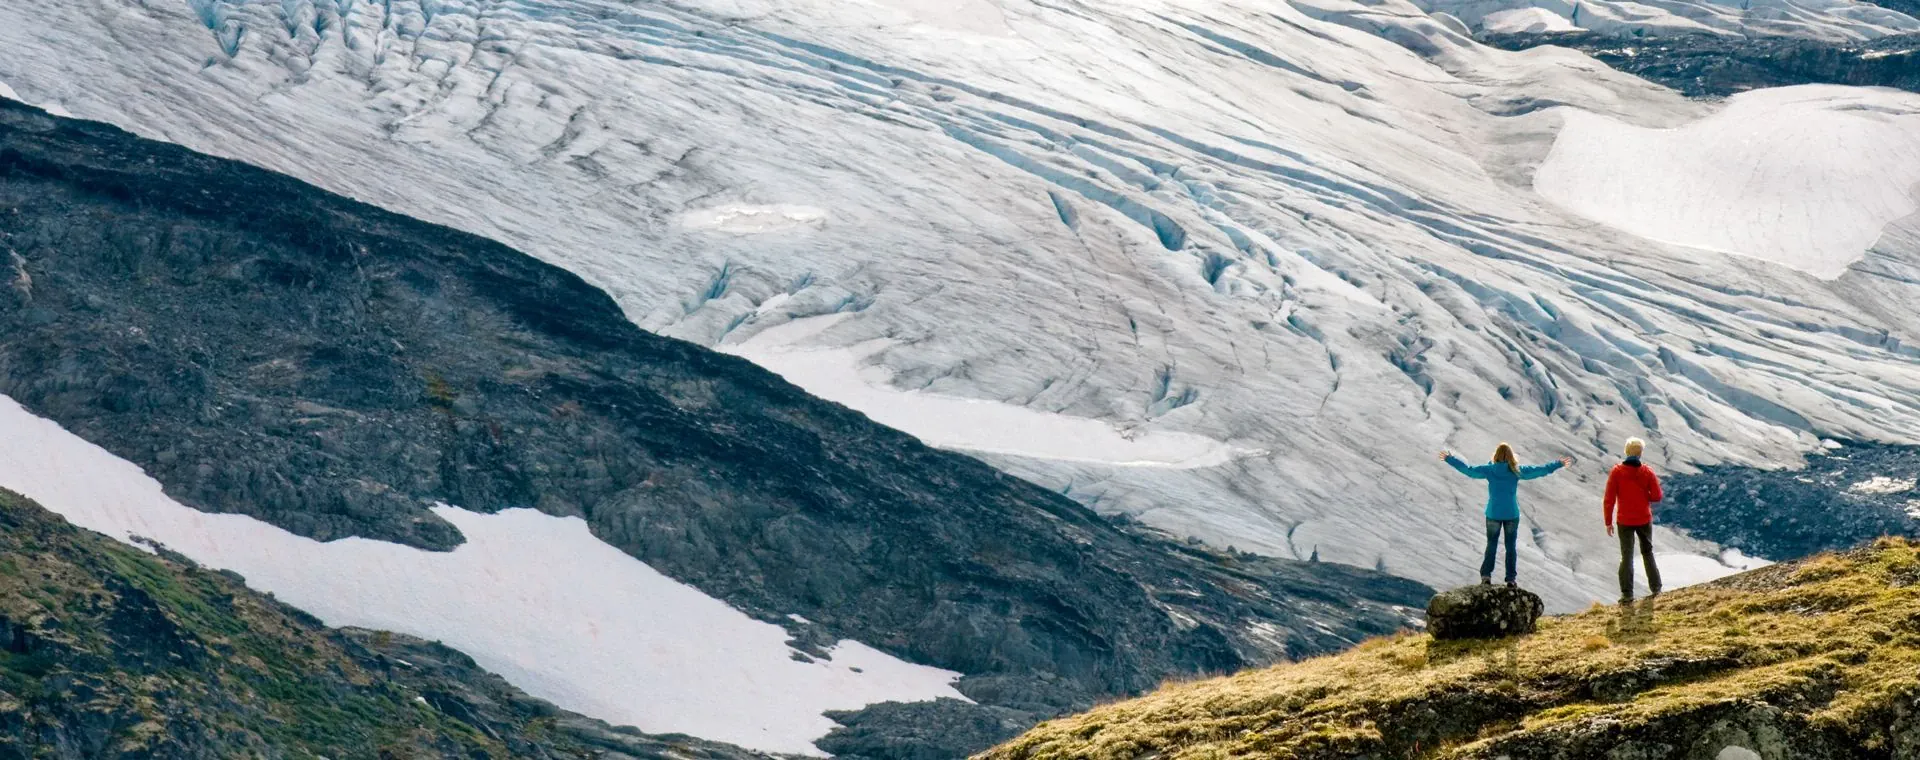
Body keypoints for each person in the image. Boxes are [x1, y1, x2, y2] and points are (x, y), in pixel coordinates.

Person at [1440, 444, 1571, 587]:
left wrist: (1450, 459)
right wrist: (1557, 464)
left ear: (1495, 455)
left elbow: (1469, 470)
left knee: (1491, 545)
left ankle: (1486, 576)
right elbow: (1539, 470)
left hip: (1493, 513)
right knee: (1510, 547)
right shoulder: (1515, 470)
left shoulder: (1489, 470)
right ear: (1510, 456)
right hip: (1511, 514)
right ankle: (1510, 579)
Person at [1605, 437, 1663, 603]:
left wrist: (1608, 521)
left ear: (1626, 451)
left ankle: (1627, 594)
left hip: (1624, 520)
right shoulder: (1647, 472)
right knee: (1647, 552)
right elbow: (1657, 496)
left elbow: (1609, 499)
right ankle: (1656, 588)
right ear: (1640, 453)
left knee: (1627, 556)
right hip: (1643, 518)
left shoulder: (1617, 472)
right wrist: (1644, 496)